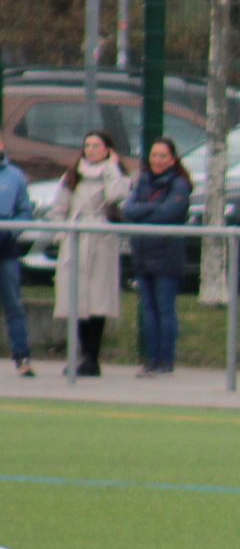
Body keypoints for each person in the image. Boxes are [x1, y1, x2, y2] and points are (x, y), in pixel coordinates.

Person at [48, 130, 130, 378]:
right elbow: (58, 208)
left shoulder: (115, 174)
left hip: (101, 242)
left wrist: (112, 168)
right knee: (77, 300)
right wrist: (62, 235)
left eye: (96, 145)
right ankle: (80, 355)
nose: (91, 150)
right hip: (75, 241)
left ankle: (92, 358)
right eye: (87, 145)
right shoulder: (73, 175)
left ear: (107, 149)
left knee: (96, 301)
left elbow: (117, 195)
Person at [121, 137, 193, 376]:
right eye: (154, 155)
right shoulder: (142, 181)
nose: (158, 160)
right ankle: (151, 359)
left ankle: (166, 360)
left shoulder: (179, 184)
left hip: (167, 255)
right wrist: (149, 209)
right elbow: (128, 210)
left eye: (163, 156)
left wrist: (144, 212)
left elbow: (169, 213)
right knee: (148, 310)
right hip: (143, 253)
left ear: (172, 159)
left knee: (165, 309)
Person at [0, 136, 34, 377]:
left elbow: (24, 211)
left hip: (6, 249)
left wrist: (11, 230)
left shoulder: (15, 176)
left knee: (13, 304)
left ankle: (22, 356)